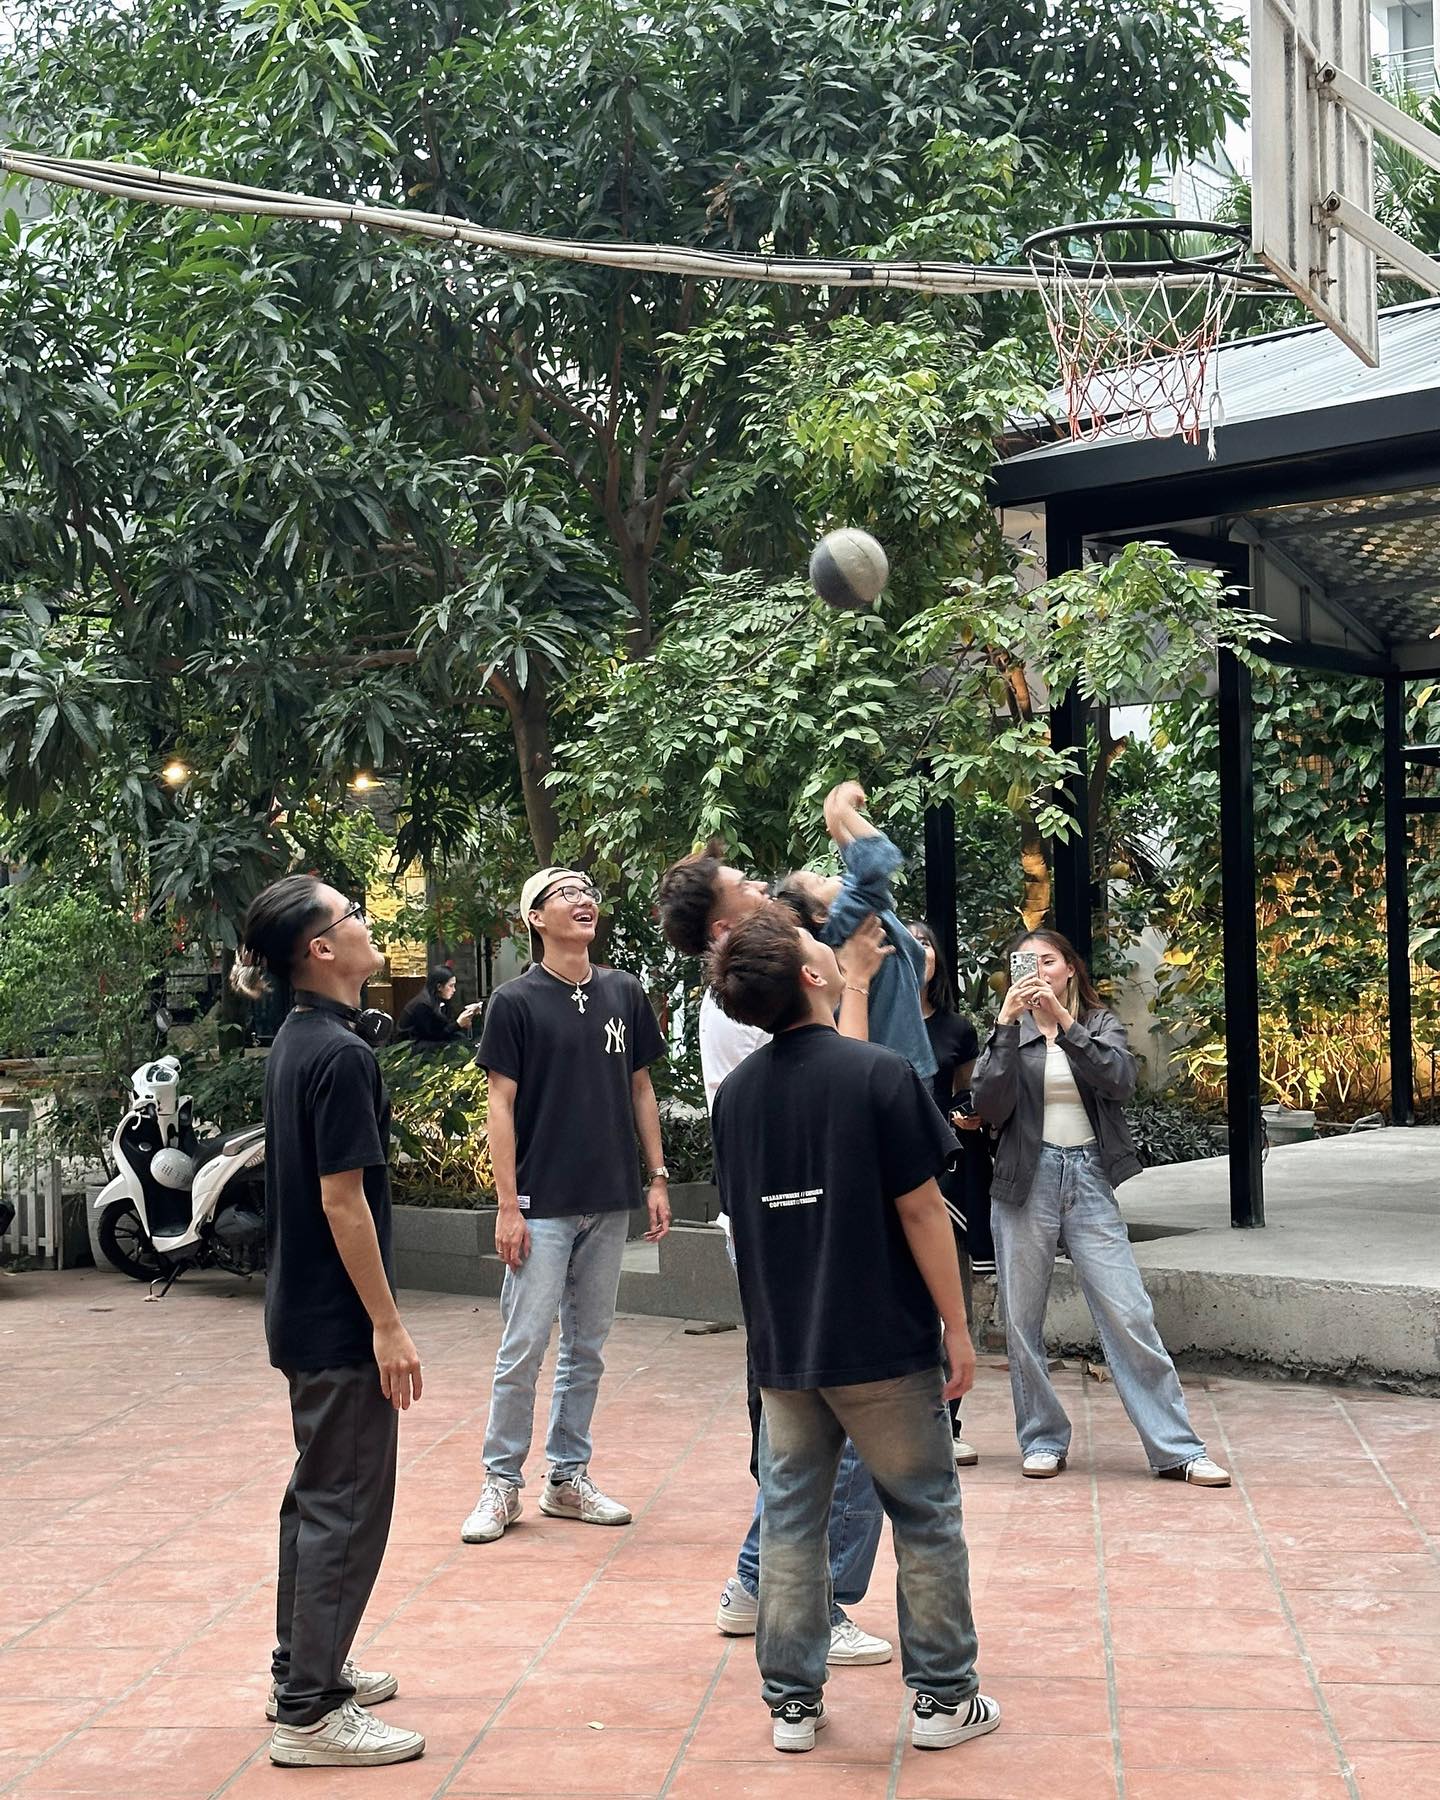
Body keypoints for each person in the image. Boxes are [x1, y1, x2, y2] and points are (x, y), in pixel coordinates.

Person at [709, 906, 1000, 1756]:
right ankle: (943, 1699)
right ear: (811, 976)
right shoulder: (880, 1074)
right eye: (817, 944)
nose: (833, 951)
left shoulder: (736, 1097)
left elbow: (748, 1222)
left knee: (790, 1520)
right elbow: (922, 1211)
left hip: (784, 1349)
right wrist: (958, 1329)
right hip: (881, 1342)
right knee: (926, 1513)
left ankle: (791, 1707)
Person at [658, 841, 895, 1669]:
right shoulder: (747, 1002)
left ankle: (758, 1583)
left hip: (787, 1230)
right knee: (848, 1418)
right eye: (744, 886)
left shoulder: (753, 983)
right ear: (724, 928)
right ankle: (815, 1601)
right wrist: (853, 983)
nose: (763, 887)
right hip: (802, 1231)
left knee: (813, 1416)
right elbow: (844, 1076)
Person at [233, 875, 426, 1770]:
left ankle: (300, 1671)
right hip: (339, 1321)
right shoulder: (340, 1055)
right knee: (345, 1509)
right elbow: (343, 1202)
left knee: (316, 1502)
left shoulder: (301, 1039)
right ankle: (310, 1714)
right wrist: (388, 1325)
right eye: (352, 915)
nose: (366, 923)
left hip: (302, 1310)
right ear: (319, 949)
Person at [972, 929, 1230, 1487]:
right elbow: (988, 1104)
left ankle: (1177, 1448)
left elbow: (1118, 1080)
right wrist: (1005, 1024)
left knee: (1128, 1311)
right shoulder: (1009, 1032)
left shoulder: (1098, 1024)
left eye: (1048, 960)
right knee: (1021, 1319)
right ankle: (1042, 1438)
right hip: (1026, 1179)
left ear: (1069, 968)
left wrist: (1064, 1025)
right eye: (1026, 962)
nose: (1037, 970)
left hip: (1088, 1176)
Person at [460, 867, 671, 1544]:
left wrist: (657, 1177)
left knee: (588, 1346)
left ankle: (566, 1478)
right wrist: (507, 1206)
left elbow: (640, 1088)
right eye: (566, 894)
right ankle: (500, 1483)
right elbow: (500, 1105)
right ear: (536, 917)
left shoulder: (623, 992)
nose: (584, 901)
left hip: (607, 1199)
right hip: (540, 1203)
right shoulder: (514, 1001)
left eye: (588, 893)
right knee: (524, 1345)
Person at [774, 780, 935, 1080]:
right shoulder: (844, 922)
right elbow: (879, 858)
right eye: (821, 881)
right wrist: (842, 815)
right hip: (899, 1061)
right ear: (820, 915)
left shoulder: (836, 926)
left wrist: (838, 824)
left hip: (892, 1057)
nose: (833, 877)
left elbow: (861, 876)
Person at [908, 919, 988, 1467]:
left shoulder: (957, 1029)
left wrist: (968, 1116)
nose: (919, 952)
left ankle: (946, 1423)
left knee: (948, 1299)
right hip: (886, 1171)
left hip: (945, 1176)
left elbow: (963, 1093)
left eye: (927, 944)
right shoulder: (863, 1020)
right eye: (907, 943)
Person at [397, 967, 480, 1046]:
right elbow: (434, 1035)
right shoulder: (422, 1005)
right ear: (439, 987)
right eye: (451, 986)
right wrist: (458, 1024)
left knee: (460, 1038)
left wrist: (466, 1013)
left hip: (427, 1040)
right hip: (411, 1046)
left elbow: (446, 1023)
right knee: (452, 1044)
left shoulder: (440, 1000)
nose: (454, 990)